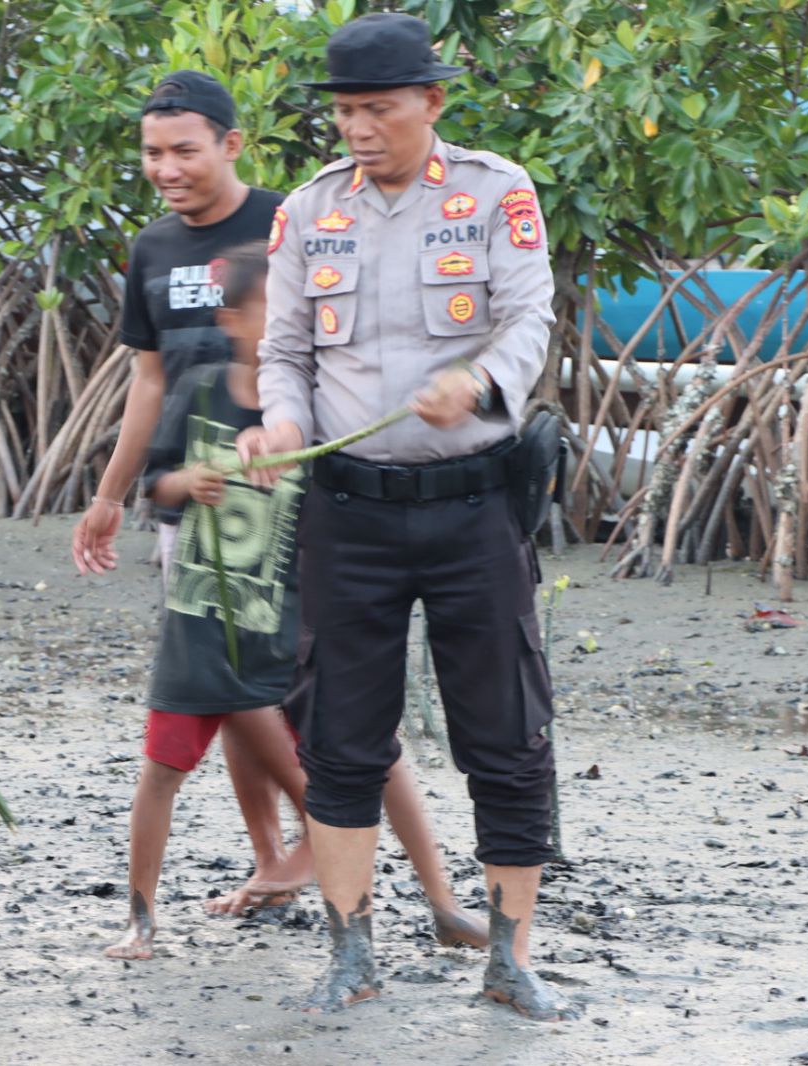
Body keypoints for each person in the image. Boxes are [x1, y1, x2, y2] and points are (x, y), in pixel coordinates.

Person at [238, 14, 580, 1021]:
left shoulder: (494, 192)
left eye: (379, 109)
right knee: (340, 740)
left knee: (507, 733)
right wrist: (280, 425)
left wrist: (477, 382)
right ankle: (351, 953)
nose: (359, 129)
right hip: (347, 512)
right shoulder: (308, 212)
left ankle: (510, 957)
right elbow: (284, 351)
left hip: (475, 506)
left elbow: (529, 317)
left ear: (430, 102)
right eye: (346, 111)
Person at [107, 242, 487, 960]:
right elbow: (157, 483)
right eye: (275, 310)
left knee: (378, 754)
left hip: (296, 619)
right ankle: (141, 919)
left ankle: (443, 902)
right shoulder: (203, 389)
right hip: (205, 618)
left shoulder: (324, 404)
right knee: (162, 768)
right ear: (232, 319)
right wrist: (190, 482)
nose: (294, 324)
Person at [67, 71, 306, 912]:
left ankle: (323, 834)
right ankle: (272, 858)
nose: (166, 169)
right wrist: (110, 494)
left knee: (278, 683)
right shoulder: (152, 247)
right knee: (219, 682)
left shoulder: (287, 223)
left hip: (281, 497)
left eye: (185, 151)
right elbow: (148, 378)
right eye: (152, 153)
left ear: (231, 145)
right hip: (190, 498)